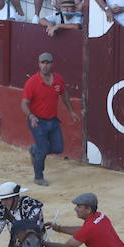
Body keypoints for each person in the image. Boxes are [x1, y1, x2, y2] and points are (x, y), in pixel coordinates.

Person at [22, 51, 76, 186]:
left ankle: (34, 150)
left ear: (52, 64)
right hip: (37, 121)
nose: (45, 66)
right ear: (39, 64)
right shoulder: (32, 82)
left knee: (58, 148)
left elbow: (64, 94)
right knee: (43, 150)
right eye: (42, 63)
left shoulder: (58, 79)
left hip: (52, 120)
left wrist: (71, 111)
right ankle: (38, 177)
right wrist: (31, 116)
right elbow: (24, 103)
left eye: (47, 63)